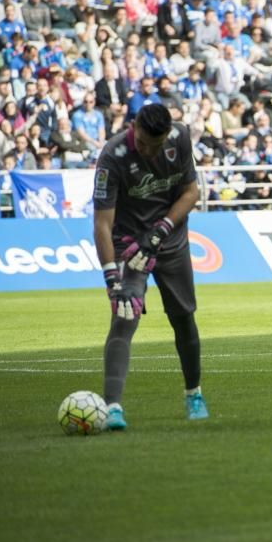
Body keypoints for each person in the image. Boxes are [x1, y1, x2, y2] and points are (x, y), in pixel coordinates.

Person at [92, 104, 208, 430]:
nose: (145, 150)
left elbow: (190, 191)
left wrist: (162, 230)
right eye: (141, 142)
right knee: (124, 316)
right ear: (134, 126)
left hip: (169, 240)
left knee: (183, 317)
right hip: (130, 245)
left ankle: (193, 393)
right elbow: (102, 223)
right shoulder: (112, 156)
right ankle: (113, 407)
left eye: (152, 146)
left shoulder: (180, 138)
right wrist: (111, 276)